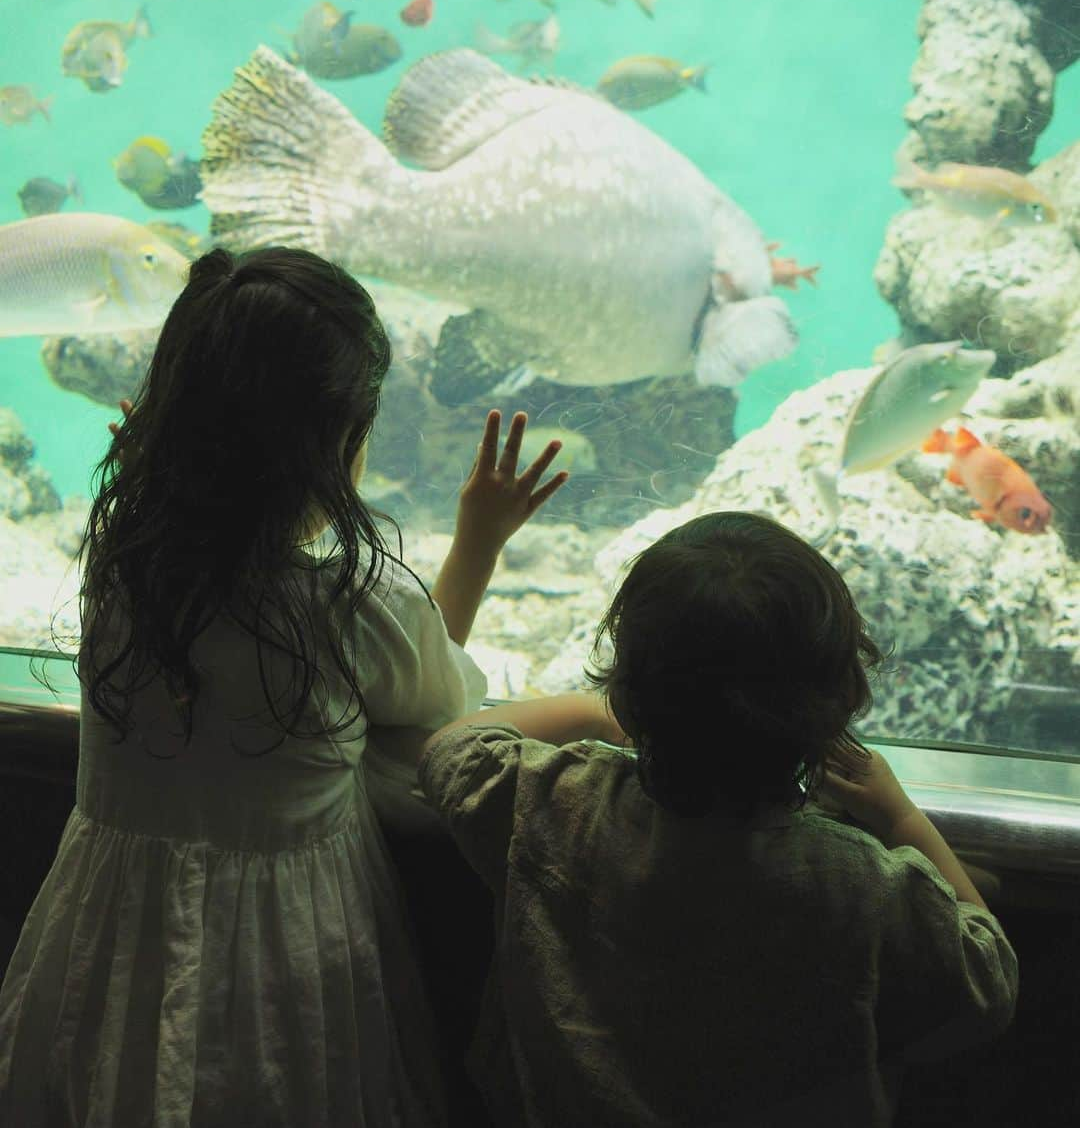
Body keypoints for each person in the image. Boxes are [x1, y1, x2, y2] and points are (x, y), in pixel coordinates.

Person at [0, 246, 568, 1128]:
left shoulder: (121, 569)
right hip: (292, 961)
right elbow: (439, 708)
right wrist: (480, 544)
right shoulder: (352, 602)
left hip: (110, 941)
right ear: (343, 438)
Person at [381, 511, 1020, 1127]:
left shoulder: (554, 803)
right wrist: (900, 815)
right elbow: (989, 980)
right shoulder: (861, 884)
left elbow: (452, 749)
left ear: (630, 693)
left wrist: (600, 712)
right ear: (842, 694)